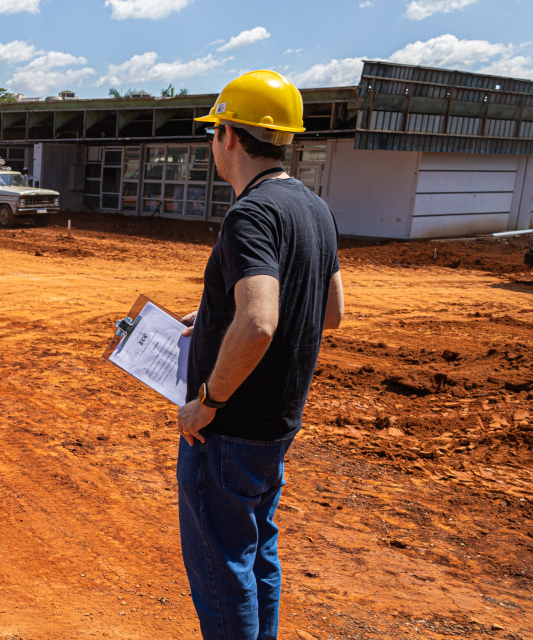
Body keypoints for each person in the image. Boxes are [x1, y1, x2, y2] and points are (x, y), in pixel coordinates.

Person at [175, 70, 344, 640]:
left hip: (229, 430)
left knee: (223, 570)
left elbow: (261, 320)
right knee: (256, 555)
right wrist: (218, 316)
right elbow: (328, 310)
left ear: (228, 136)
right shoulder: (315, 209)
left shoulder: (249, 214)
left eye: (213, 132)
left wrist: (208, 400)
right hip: (276, 426)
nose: (212, 143)